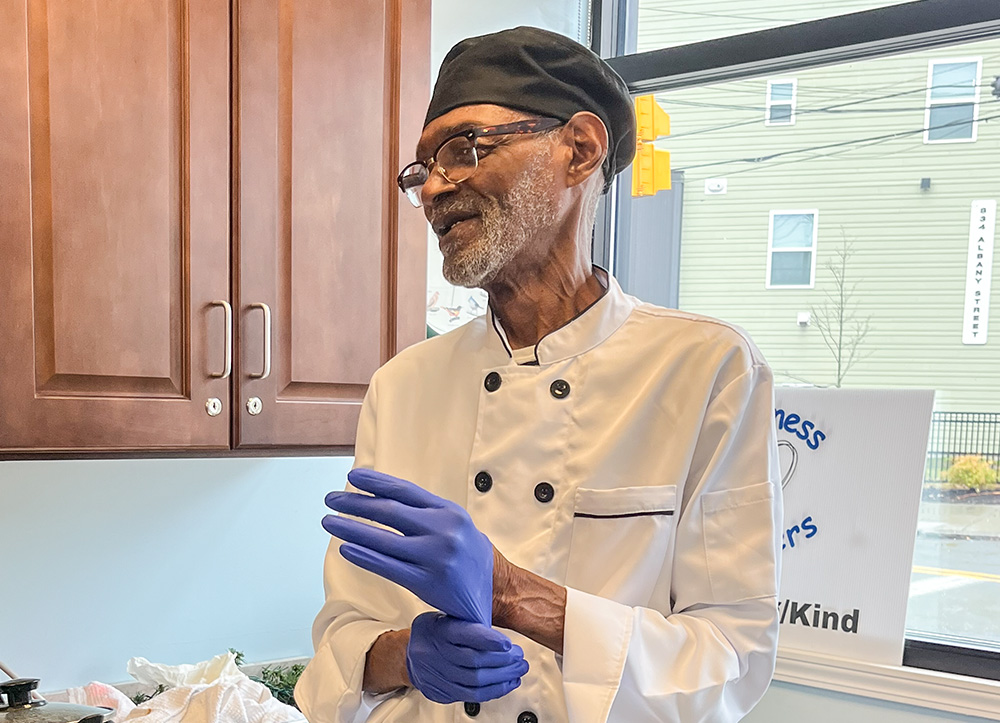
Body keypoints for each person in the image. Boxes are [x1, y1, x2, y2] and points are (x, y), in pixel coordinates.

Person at [295, 26, 782, 723]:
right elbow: (341, 640)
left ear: (579, 149)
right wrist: (405, 654)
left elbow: (730, 660)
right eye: (422, 168)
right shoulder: (402, 387)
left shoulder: (707, 369)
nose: (433, 189)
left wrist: (512, 594)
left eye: (464, 148)